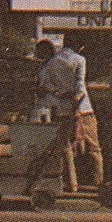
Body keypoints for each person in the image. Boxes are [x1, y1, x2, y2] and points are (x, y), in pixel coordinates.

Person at [36, 39, 104, 192]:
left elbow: (42, 88)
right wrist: (75, 103)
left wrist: (58, 95)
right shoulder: (80, 60)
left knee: (67, 149)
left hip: (62, 112)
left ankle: (72, 184)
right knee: (94, 148)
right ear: (78, 46)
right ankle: (99, 183)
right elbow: (80, 88)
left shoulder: (49, 64)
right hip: (83, 110)